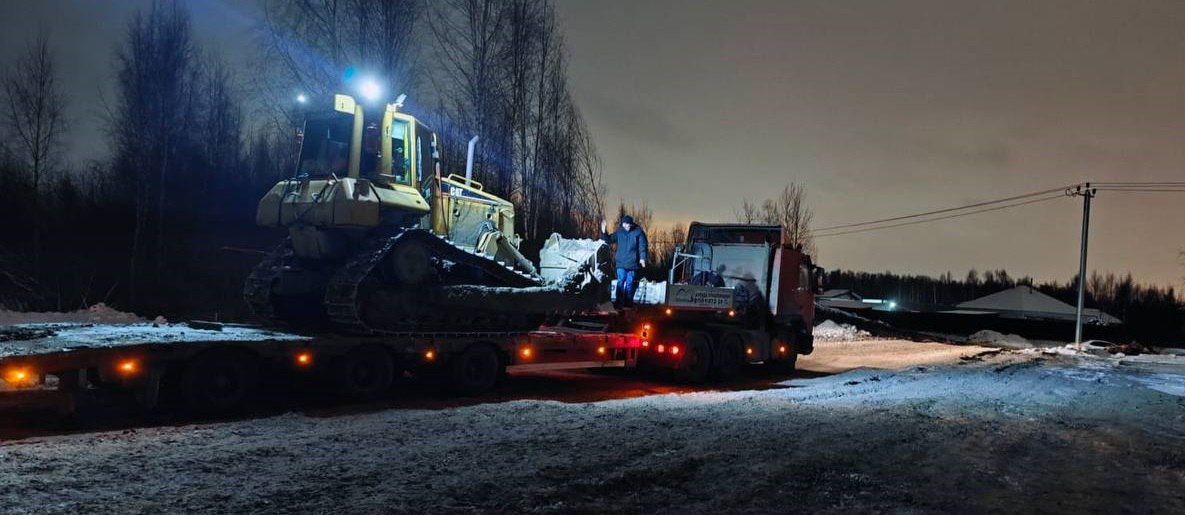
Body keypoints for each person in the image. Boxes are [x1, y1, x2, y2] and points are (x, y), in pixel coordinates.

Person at [600, 215, 648, 308]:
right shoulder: (620, 232)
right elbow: (608, 239)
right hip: (621, 262)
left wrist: (642, 258)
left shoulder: (638, 232)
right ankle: (618, 303)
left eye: (628, 224)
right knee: (621, 282)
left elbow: (642, 246)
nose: (626, 226)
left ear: (631, 224)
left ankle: (628, 302)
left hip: (633, 263)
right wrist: (603, 230)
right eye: (624, 224)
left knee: (629, 283)